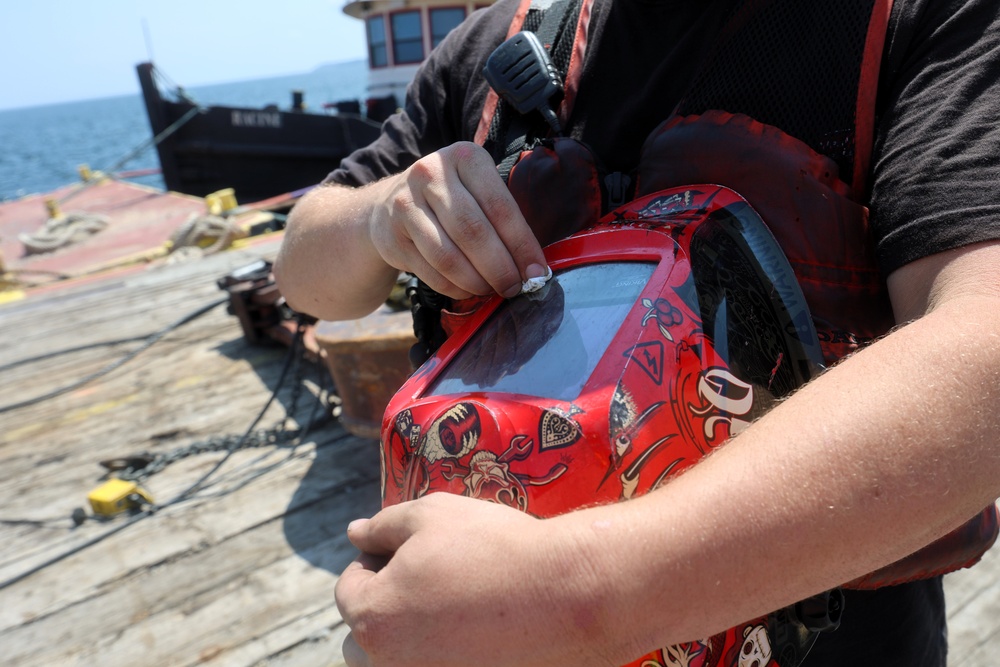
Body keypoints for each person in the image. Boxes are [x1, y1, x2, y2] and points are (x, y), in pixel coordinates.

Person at [273, 0, 1000, 664]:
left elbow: (984, 346)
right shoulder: (490, 49)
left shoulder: (922, 20)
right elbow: (302, 273)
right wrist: (380, 215)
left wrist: (579, 596)